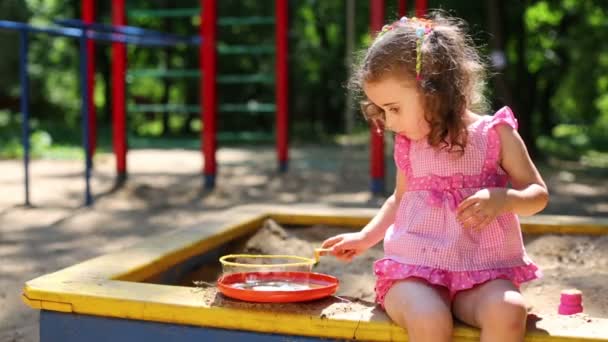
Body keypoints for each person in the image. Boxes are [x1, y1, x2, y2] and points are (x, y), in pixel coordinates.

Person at [322, 12, 548, 342]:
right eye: (382, 111)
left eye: (394, 109)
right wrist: (365, 238)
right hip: (416, 272)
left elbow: (537, 194)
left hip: (482, 271)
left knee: (509, 310)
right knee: (430, 318)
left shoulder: (495, 134)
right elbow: (400, 199)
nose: (390, 122)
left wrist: (506, 199)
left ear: (434, 89)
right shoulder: (409, 145)